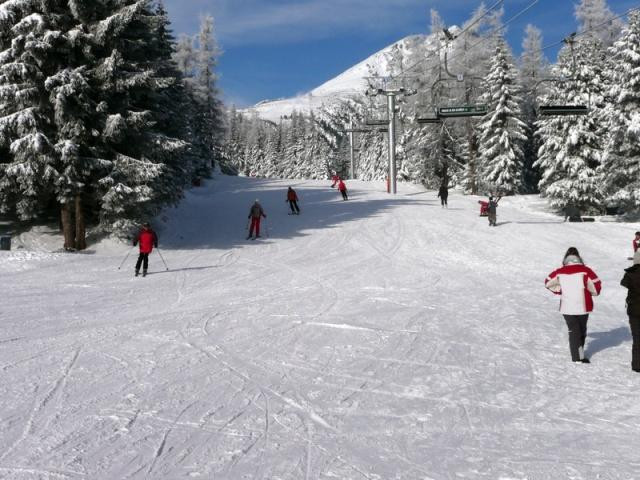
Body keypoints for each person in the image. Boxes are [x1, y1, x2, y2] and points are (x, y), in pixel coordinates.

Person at [544, 247, 602, 363]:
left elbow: (548, 282)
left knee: (574, 331)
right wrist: (590, 292)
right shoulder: (586, 270)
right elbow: (595, 286)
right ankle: (578, 357)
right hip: (583, 306)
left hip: (567, 307)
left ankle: (578, 356)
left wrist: (561, 290)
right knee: (580, 331)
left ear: (566, 258)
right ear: (578, 257)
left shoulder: (560, 271)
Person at [620, 250, 640, 372]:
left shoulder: (631, 273)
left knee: (637, 338)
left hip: (634, 310)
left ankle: (637, 365)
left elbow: (623, 283)